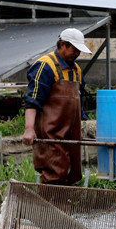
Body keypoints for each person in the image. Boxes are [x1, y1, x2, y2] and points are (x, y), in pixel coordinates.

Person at [22, 27, 92, 185]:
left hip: (71, 134)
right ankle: (48, 207)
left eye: (79, 51)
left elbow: (78, 101)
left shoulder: (76, 70)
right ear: (62, 45)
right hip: (51, 132)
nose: (77, 54)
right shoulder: (45, 66)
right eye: (74, 49)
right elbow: (33, 99)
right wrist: (29, 129)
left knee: (73, 174)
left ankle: (65, 207)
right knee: (55, 172)